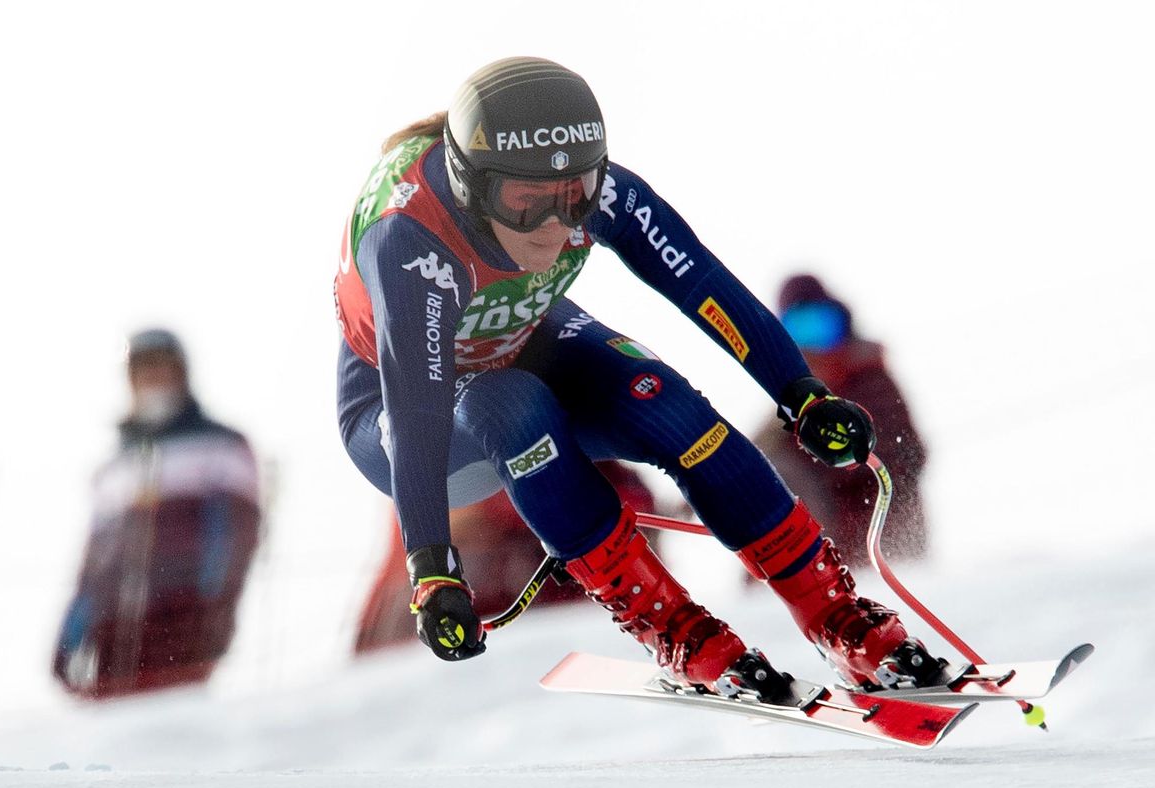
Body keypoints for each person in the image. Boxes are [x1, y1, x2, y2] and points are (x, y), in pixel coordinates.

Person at [333, 56, 946, 699]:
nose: (552, 224)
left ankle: (836, 617)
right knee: (511, 407)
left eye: (572, 199)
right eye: (525, 205)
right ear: (468, 185)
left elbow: (700, 283)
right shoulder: (410, 241)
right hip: (402, 403)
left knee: (663, 401)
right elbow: (416, 414)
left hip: (517, 333)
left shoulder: (592, 189)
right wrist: (432, 570)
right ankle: (675, 630)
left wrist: (802, 396)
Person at [53, 328, 261, 699]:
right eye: (143, 372)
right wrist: (70, 629)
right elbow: (93, 561)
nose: (153, 381)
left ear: (181, 373)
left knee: (169, 733)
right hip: (113, 624)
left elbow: (238, 534)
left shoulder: (221, 444)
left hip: (183, 615)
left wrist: (216, 605)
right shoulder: (114, 465)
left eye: (162, 369)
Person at [352, 461, 655, 654]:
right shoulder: (448, 470)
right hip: (445, 644)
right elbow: (454, 519)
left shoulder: (612, 477)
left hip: (577, 638)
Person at [748, 273, 929, 562]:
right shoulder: (799, 396)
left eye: (822, 327)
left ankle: (804, 565)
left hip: (881, 536)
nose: (814, 347)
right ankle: (780, 576)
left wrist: (839, 460)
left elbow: (907, 452)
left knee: (783, 469)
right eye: (800, 333)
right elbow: (756, 450)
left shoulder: (867, 378)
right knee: (771, 470)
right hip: (826, 541)